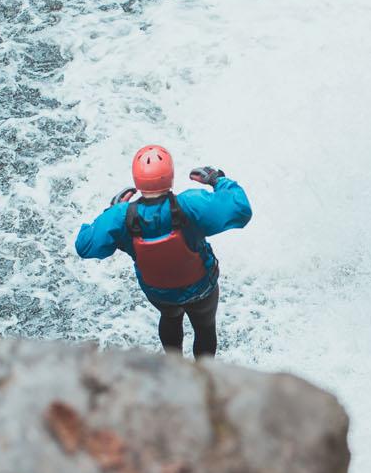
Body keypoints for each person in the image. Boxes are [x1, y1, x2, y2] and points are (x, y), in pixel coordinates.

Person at [75, 146, 250, 359]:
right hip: (202, 287)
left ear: (137, 180)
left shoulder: (121, 216)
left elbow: (85, 246)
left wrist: (111, 211)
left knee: (170, 317)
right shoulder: (191, 204)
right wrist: (217, 179)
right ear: (171, 176)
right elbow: (241, 210)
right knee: (205, 325)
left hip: (158, 291)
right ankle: (204, 375)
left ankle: (174, 366)